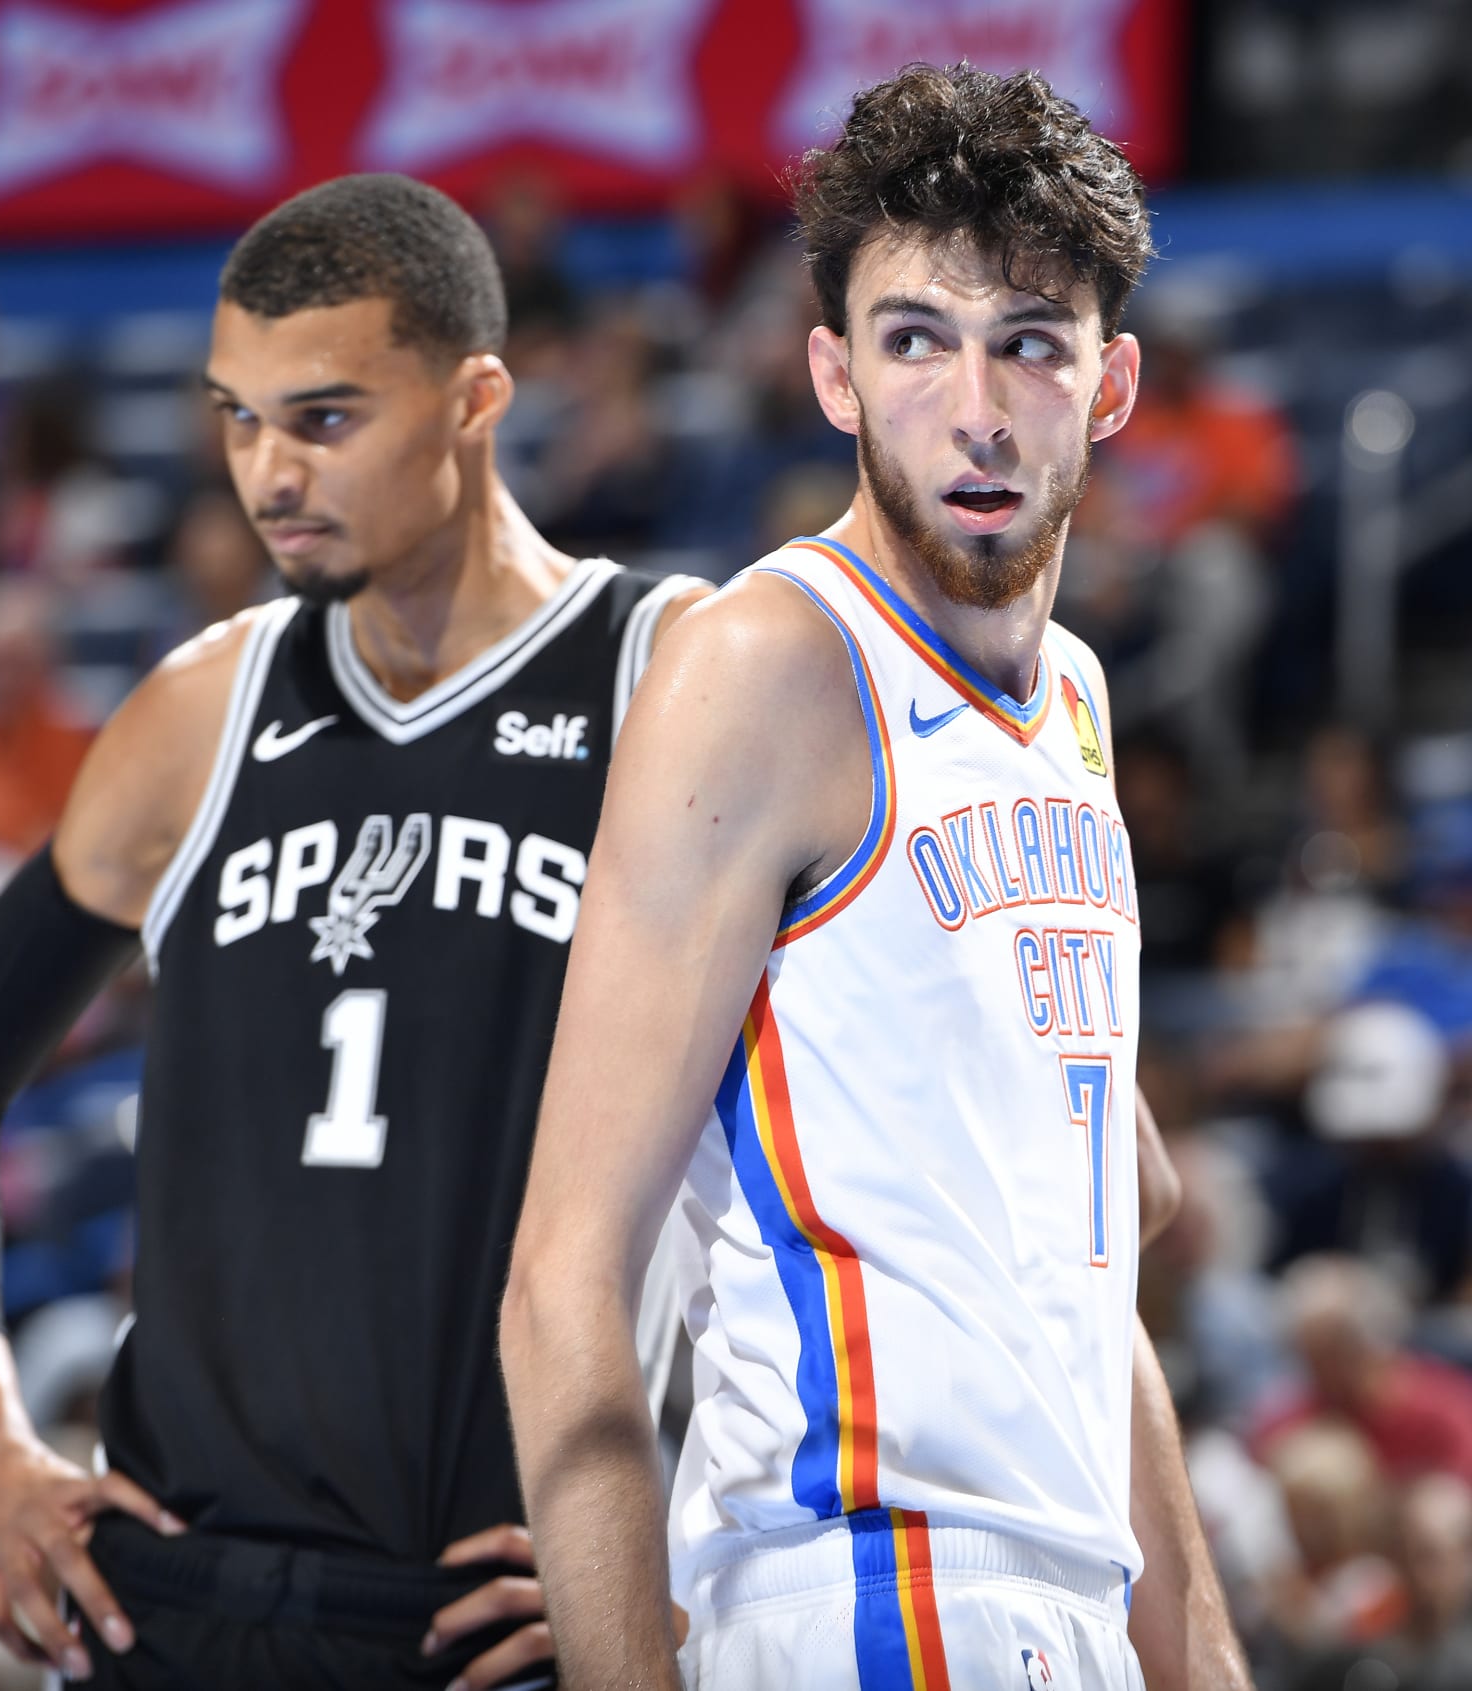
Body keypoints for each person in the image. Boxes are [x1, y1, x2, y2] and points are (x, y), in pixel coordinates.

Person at [0, 173, 705, 1690]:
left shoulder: (668, 676)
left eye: (323, 419)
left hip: (483, 1617)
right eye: (236, 419)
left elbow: (850, 1158)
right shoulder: (202, 710)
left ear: (475, 399)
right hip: (172, 1599)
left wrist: (696, 1528)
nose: (268, 474)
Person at [500, 65, 1251, 1690]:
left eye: (1029, 343)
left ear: (1111, 384)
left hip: (1070, 1598)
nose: (975, 406)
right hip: (858, 1584)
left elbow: (1108, 1229)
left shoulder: (1081, 707)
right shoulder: (766, 660)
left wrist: (1202, 1656)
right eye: (916, 339)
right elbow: (566, 1266)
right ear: (834, 374)